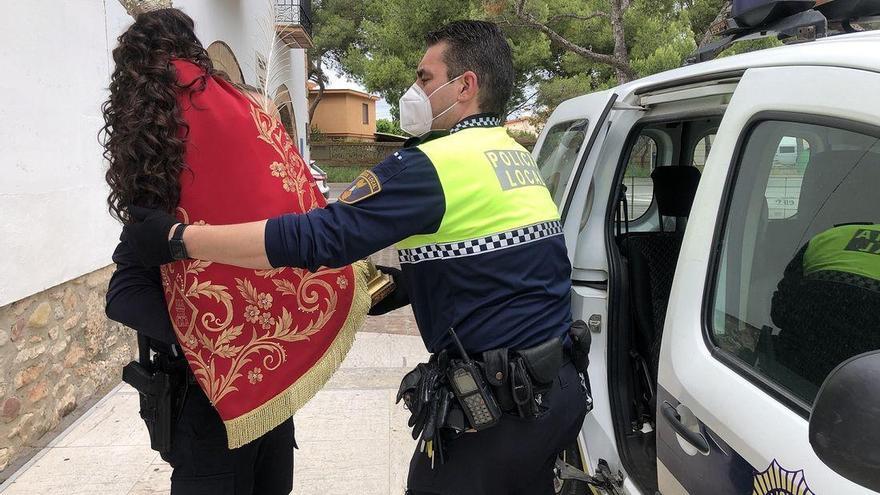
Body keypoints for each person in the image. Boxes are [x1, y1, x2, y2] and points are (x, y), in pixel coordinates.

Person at [122, 20, 592, 494]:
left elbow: (317, 238)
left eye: (426, 79)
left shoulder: (434, 165)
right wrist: (362, 290)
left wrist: (180, 239)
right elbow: (472, 267)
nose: (414, 91)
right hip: (558, 393)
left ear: (465, 86)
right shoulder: (514, 157)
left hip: (498, 414)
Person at [101, 2, 370, 493]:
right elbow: (123, 294)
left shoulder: (231, 156)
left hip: (266, 396)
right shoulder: (156, 203)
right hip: (201, 401)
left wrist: (247, 337)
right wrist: (205, 341)